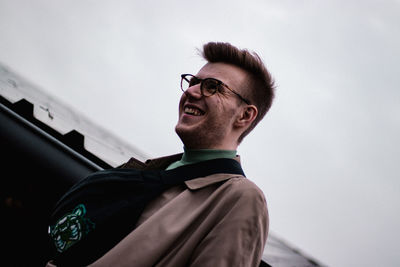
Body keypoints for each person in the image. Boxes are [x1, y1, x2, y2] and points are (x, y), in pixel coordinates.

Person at [47, 41, 275, 267]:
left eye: (213, 86)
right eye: (193, 82)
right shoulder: (154, 172)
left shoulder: (241, 198)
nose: (192, 91)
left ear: (245, 116)